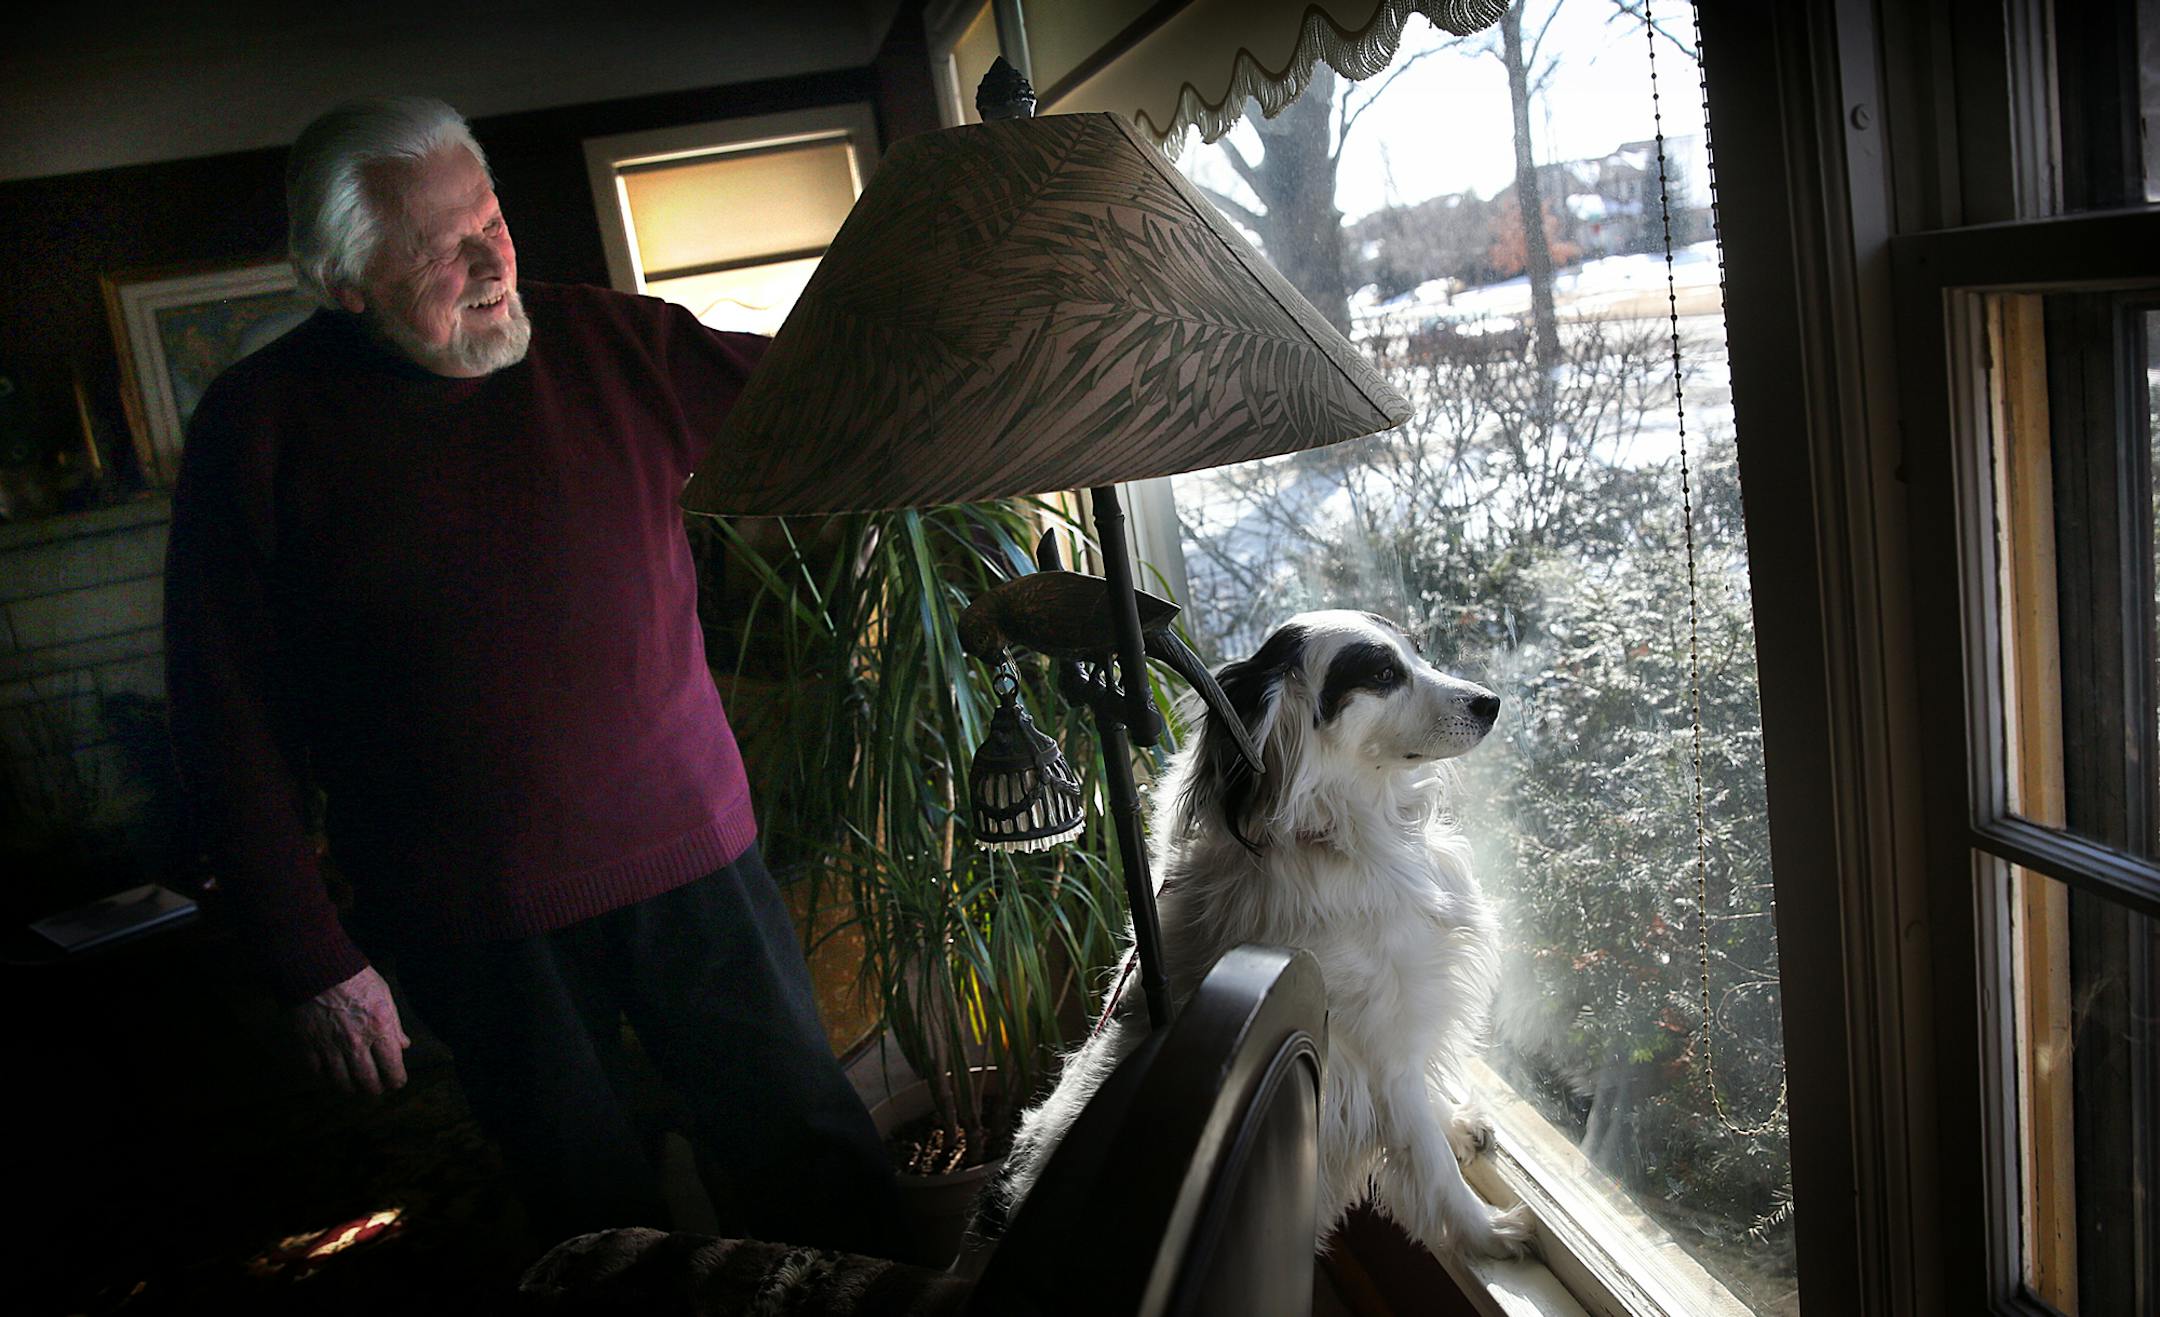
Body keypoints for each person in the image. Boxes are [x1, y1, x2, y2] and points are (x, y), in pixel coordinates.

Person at [163, 96, 900, 1257]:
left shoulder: (615, 345)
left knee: (816, 1169)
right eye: (437, 247)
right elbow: (223, 719)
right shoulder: (258, 430)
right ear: (343, 282)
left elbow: (835, 395)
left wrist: (989, 329)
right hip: (472, 923)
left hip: (692, 866)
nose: (491, 258)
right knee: (592, 1231)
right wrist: (313, 959)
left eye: (493, 219)